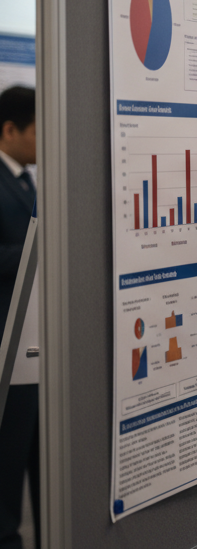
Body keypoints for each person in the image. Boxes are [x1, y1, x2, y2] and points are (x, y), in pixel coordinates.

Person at [0, 86, 38, 549]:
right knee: (8, 458)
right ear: (9, 130)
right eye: (36, 130)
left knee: (37, 454)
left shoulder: (26, 179)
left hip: (34, 340)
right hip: (8, 341)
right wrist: (38, 252)